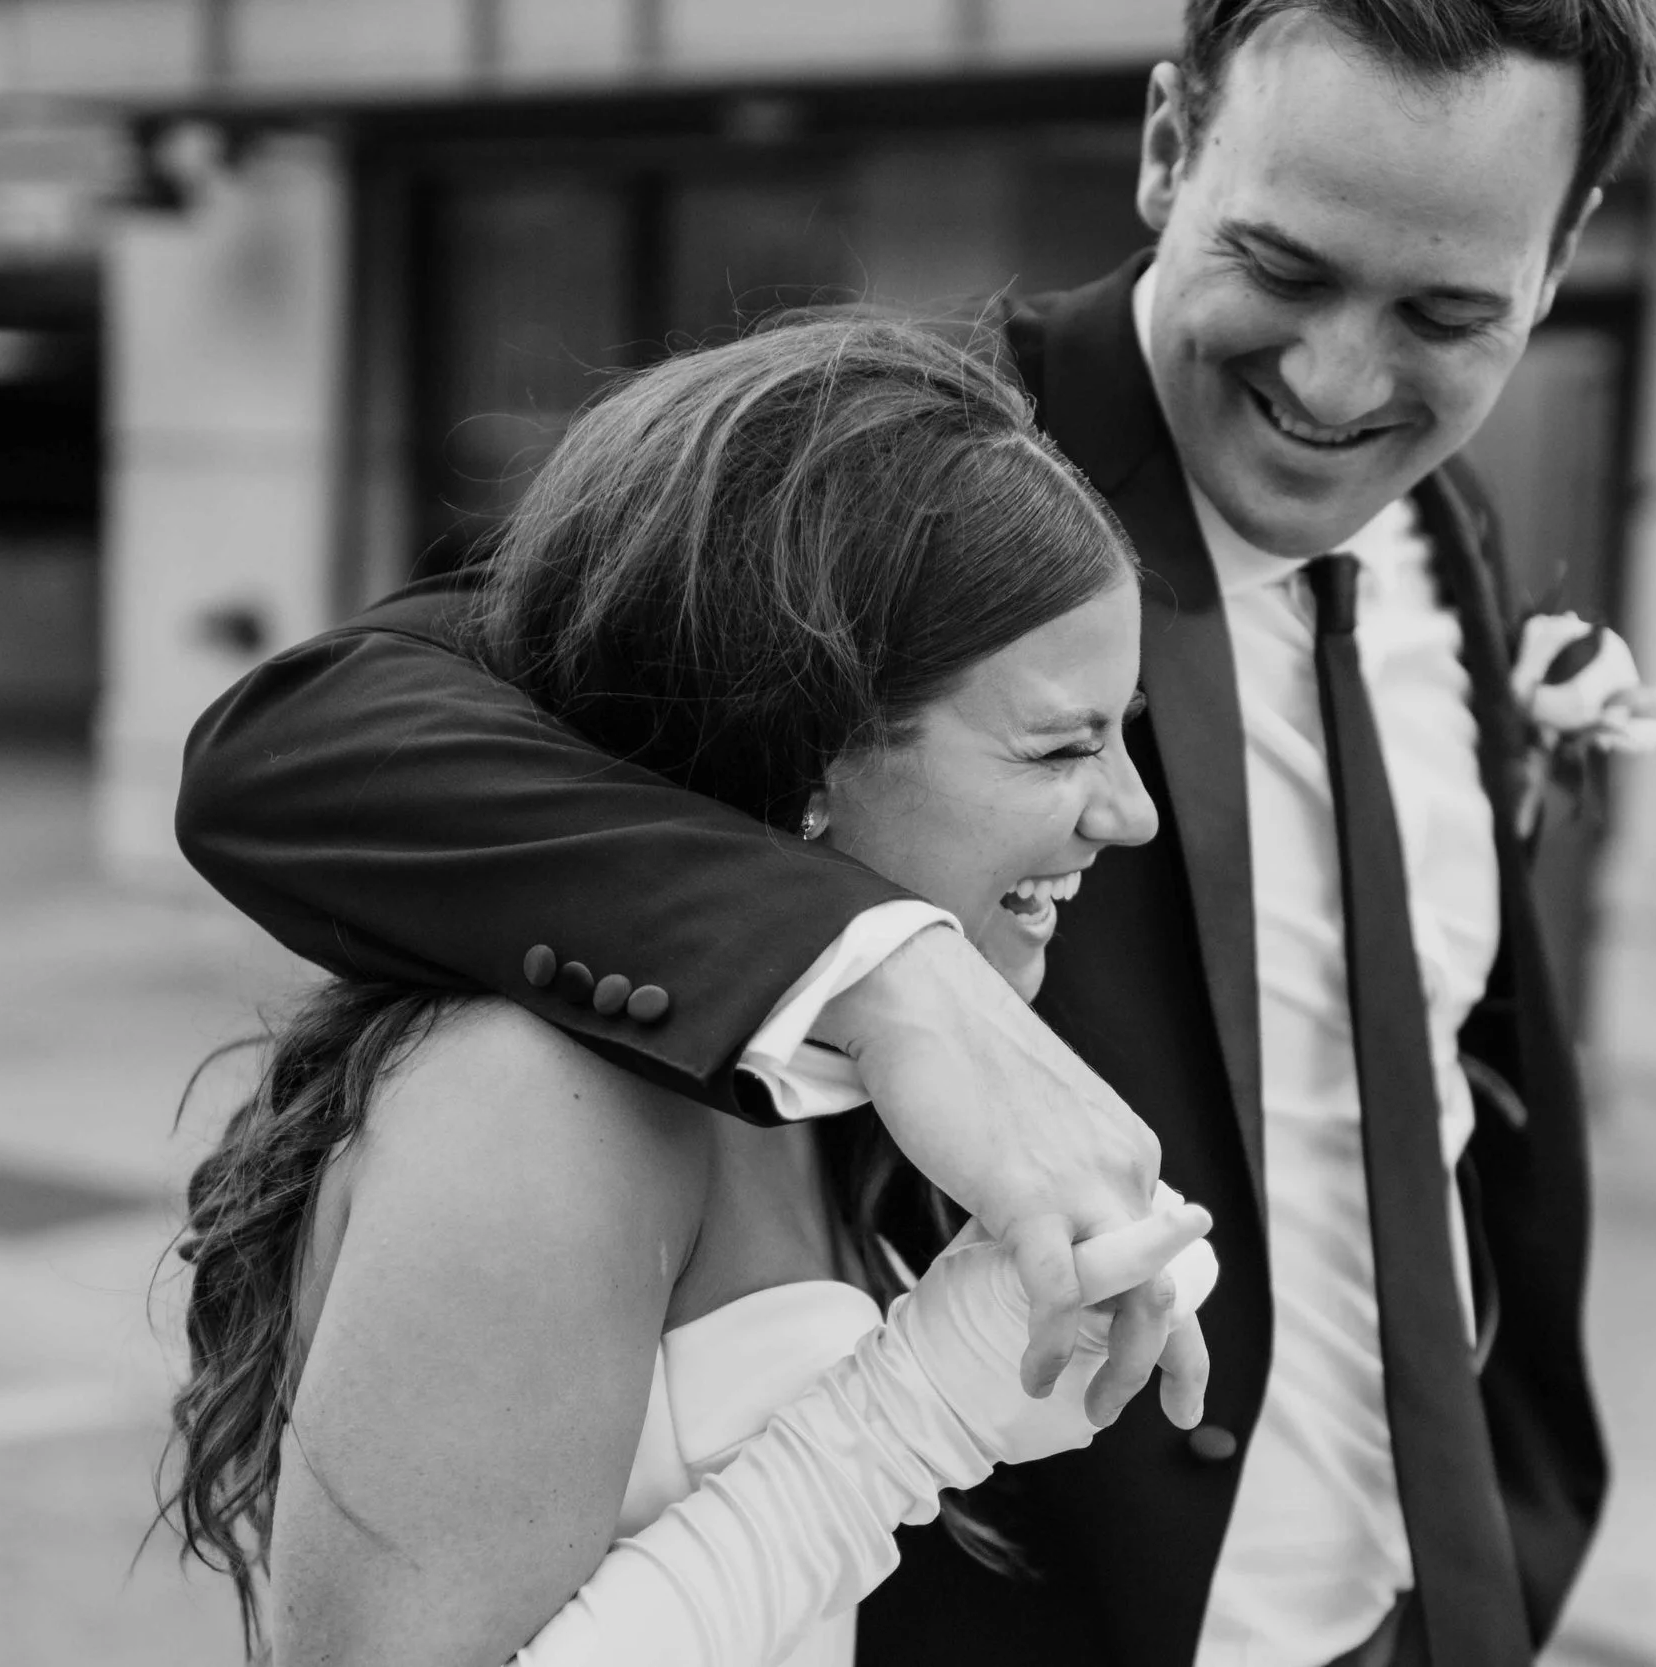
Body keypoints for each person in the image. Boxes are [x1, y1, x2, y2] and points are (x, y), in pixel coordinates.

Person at [175, 2, 1656, 1662]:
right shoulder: (922, 467)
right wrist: (885, 974)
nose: (1337, 377)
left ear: (1562, 255)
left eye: (1448, 311)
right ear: (1172, 145)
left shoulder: (1438, 531)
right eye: (1289, 269)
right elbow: (303, 736)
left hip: (1425, 1598)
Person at [160, 317, 1217, 1666]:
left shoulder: (819, 1059)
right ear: (809, 752)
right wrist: (925, 1401)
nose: (1126, 814)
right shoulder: (536, 1101)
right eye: (1063, 744)